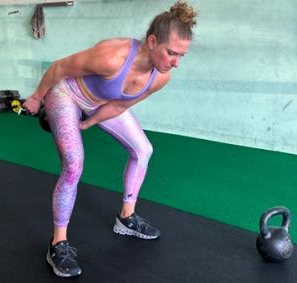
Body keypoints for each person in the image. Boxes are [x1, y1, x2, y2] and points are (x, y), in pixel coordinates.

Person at [23, 0, 197, 277]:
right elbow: (59, 68)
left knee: (143, 149)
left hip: (102, 103)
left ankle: (126, 218)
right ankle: (58, 243)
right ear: (152, 41)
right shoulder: (111, 57)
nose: (175, 63)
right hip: (66, 94)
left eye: (182, 56)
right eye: (172, 53)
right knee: (73, 165)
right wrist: (35, 98)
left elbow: (119, 106)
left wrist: (88, 123)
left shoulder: (160, 78)